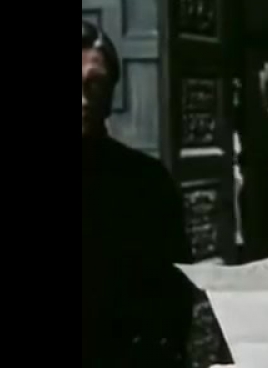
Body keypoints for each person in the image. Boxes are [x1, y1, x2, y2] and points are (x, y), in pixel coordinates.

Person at [82, 20, 194, 367]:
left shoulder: (147, 182)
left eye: (94, 85)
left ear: (110, 94)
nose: (83, 99)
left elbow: (174, 296)